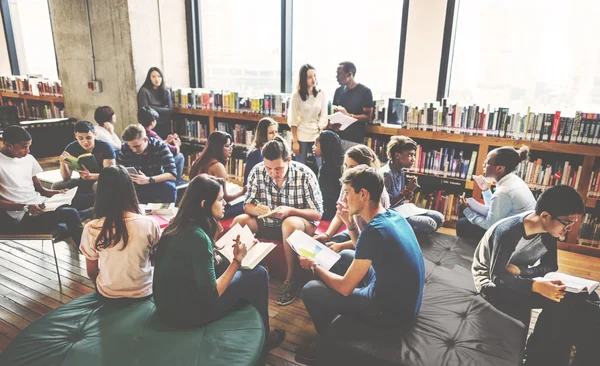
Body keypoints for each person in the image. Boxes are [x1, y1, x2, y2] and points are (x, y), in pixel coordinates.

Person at [296, 165, 425, 362]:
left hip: (389, 312)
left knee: (310, 289)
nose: (344, 198)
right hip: (405, 301)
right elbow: (362, 248)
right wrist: (349, 223)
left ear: (363, 194)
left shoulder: (374, 231)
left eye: (347, 192)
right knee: (346, 255)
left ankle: (328, 344)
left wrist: (314, 266)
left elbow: (345, 287)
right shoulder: (390, 216)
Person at [152, 174, 285, 349]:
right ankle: (265, 337)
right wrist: (237, 260)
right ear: (204, 204)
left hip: (165, 308)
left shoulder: (175, 225)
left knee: (228, 265)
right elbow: (211, 294)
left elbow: (199, 260)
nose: (225, 203)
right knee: (259, 273)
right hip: (187, 316)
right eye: (220, 199)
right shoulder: (198, 238)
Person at [472, 185, 599, 366]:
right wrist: (535, 285)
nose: (569, 229)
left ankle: (561, 354)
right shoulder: (509, 232)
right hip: (490, 285)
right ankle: (542, 356)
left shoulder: (549, 231)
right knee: (563, 301)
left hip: (517, 278)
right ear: (545, 216)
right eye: (567, 223)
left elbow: (550, 266)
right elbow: (498, 278)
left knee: (590, 297)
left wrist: (524, 272)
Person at [232, 136, 323, 306]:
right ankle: (240, 271)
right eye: (268, 168)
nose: (273, 174)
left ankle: (291, 280)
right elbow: (247, 205)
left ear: (289, 160)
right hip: (268, 222)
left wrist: (290, 211)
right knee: (240, 221)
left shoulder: (305, 174)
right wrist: (257, 210)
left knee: (289, 223)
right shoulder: (257, 171)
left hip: (298, 225)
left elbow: (317, 214)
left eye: (278, 169)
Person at [80, 165, 160, 304]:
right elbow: (156, 260)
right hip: (144, 291)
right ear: (130, 190)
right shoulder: (150, 223)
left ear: (100, 192)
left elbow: (92, 273)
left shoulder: (92, 228)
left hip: (108, 293)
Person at [0, 126, 83, 246]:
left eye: (29, 146)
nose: (28, 151)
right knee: (71, 213)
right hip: (22, 214)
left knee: (79, 202)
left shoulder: (28, 159)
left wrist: (59, 193)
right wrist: (25, 206)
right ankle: (88, 255)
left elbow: (41, 190)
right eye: (24, 147)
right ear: (8, 145)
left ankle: (70, 233)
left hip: (40, 205)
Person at [314, 145, 390, 253]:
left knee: (341, 253)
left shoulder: (378, 195)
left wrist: (341, 246)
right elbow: (340, 214)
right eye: (345, 166)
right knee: (327, 244)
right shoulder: (350, 184)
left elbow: (370, 239)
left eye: (352, 167)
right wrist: (327, 235)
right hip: (355, 230)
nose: (347, 171)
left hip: (371, 239)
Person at [458, 145, 536, 241]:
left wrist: (467, 210)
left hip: (513, 238)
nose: (483, 164)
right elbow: (495, 210)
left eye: (487, 162)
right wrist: (485, 190)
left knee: (462, 223)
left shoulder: (504, 191)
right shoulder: (513, 179)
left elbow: (490, 225)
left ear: (500, 168)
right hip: (520, 230)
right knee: (466, 219)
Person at [381, 136, 445, 234]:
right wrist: (404, 194)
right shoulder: (386, 175)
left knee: (439, 217)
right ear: (397, 155)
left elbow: (399, 199)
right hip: (390, 215)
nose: (413, 159)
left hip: (402, 210)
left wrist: (408, 193)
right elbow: (385, 207)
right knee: (430, 224)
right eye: (410, 155)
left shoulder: (400, 171)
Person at [55, 120, 116, 210]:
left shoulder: (105, 147)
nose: (85, 142)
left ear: (94, 134)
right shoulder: (71, 148)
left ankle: (99, 210)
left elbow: (111, 174)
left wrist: (91, 176)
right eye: (80, 138)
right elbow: (66, 178)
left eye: (88, 138)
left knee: (97, 185)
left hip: (101, 180)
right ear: (76, 136)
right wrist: (62, 163)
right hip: (83, 180)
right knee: (57, 186)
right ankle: (64, 211)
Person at [189, 131, 247, 217]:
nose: (231, 149)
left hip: (196, 205)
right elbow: (225, 198)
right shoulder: (217, 166)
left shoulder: (199, 160)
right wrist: (242, 192)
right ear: (218, 147)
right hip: (210, 209)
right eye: (227, 146)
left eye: (231, 145)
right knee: (246, 203)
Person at [117, 124, 176, 204]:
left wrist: (148, 180)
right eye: (131, 147)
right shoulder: (125, 148)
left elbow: (172, 174)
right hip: (135, 184)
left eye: (137, 146)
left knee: (169, 187)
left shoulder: (160, 146)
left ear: (145, 139)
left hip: (156, 181)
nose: (134, 150)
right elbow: (119, 171)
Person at [288, 64, 328, 165]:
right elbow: (293, 119)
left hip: (316, 135)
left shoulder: (321, 93)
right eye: (309, 77)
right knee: (300, 166)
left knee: (321, 166)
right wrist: (295, 141)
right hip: (301, 135)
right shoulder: (296, 95)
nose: (313, 79)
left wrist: (320, 140)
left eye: (314, 76)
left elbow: (323, 116)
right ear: (303, 79)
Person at [329, 62, 373, 151]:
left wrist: (348, 115)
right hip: (338, 137)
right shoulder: (338, 91)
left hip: (354, 139)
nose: (336, 76)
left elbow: (368, 117)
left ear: (349, 74)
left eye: (339, 73)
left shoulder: (365, 91)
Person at [138, 106, 184, 180]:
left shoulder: (138, 131)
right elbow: (174, 151)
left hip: (143, 165)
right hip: (156, 165)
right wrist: (177, 144)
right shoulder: (151, 134)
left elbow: (155, 144)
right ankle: (177, 182)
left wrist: (165, 141)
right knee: (180, 156)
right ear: (153, 122)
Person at [313, 130, 343, 221]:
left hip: (330, 212)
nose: (313, 147)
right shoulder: (340, 164)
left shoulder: (326, 170)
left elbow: (326, 196)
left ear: (325, 147)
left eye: (316, 145)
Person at [137, 67, 172, 138]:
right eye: (153, 77)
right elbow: (145, 112)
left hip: (164, 123)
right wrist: (163, 108)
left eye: (159, 76)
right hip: (151, 125)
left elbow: (170, 110)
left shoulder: (166, 90)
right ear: (149, 78)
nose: (157, 79)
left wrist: (152, 107)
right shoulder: (144, 91)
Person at [244, 117, 278, 186]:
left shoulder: (275, 150)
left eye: (276, 132)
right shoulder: (255, 154)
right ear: (263, 134)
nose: (275, 135)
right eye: (271, 133)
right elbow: (248, 179)